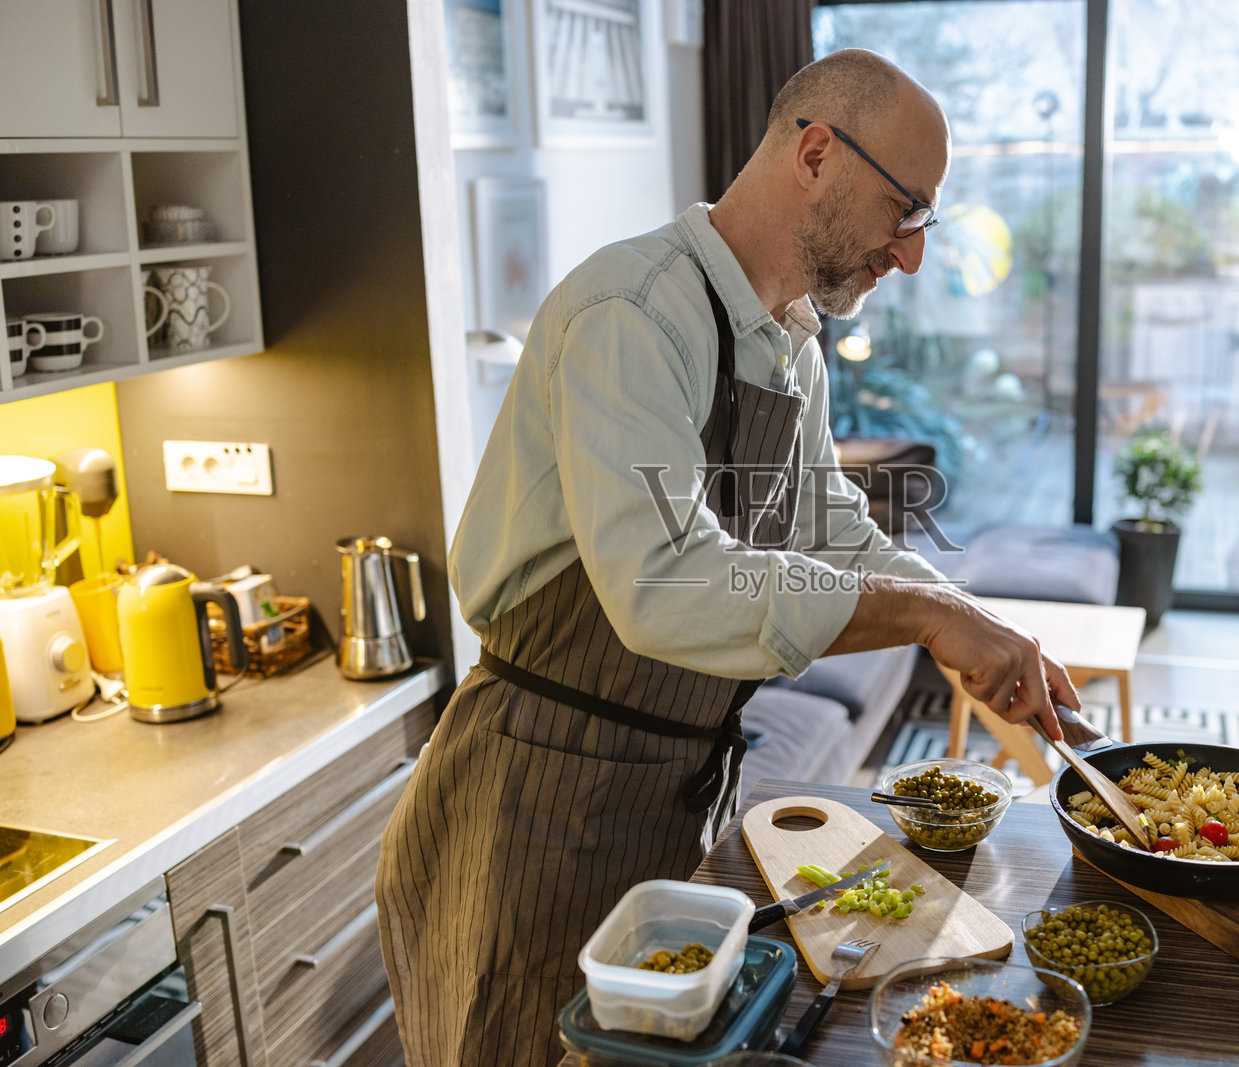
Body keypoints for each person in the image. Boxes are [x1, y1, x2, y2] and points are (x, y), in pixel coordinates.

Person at [376, 48, 1105, 1065]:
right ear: (815, 152)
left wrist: (971, 624)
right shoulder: (631, 313)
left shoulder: (788, 343)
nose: (909, 257)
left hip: (670, 794)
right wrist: (923, 619)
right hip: (529, 800)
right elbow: (663, 586)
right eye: (905, 212)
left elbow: (823, 523)